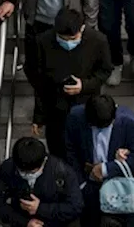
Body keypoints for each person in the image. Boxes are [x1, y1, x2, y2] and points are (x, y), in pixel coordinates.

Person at [26, 9, 114, 157]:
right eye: (63, 38)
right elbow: (40, 83)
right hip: (56, 109)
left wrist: (84, 85)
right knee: (57, 151)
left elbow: (105, 71)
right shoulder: (43, 42)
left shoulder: (98, 41)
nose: (67, 42)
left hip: (86, 106)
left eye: (72, 38)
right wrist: (39, 116)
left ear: (82, 28)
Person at [65, 95, 134, 226]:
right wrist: (81, 184)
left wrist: (107, 169)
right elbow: (70, 150)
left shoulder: (129, 121)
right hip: (89, 183)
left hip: (120, 184)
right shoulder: (75, 116)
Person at [0, 137, 84, 227]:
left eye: (32, 172)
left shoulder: (62, 171)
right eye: (22, 172)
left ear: (44, 160)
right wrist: (24, 222)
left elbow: (75, 207)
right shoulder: (8, 168)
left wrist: (40, 209)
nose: (27, 175)